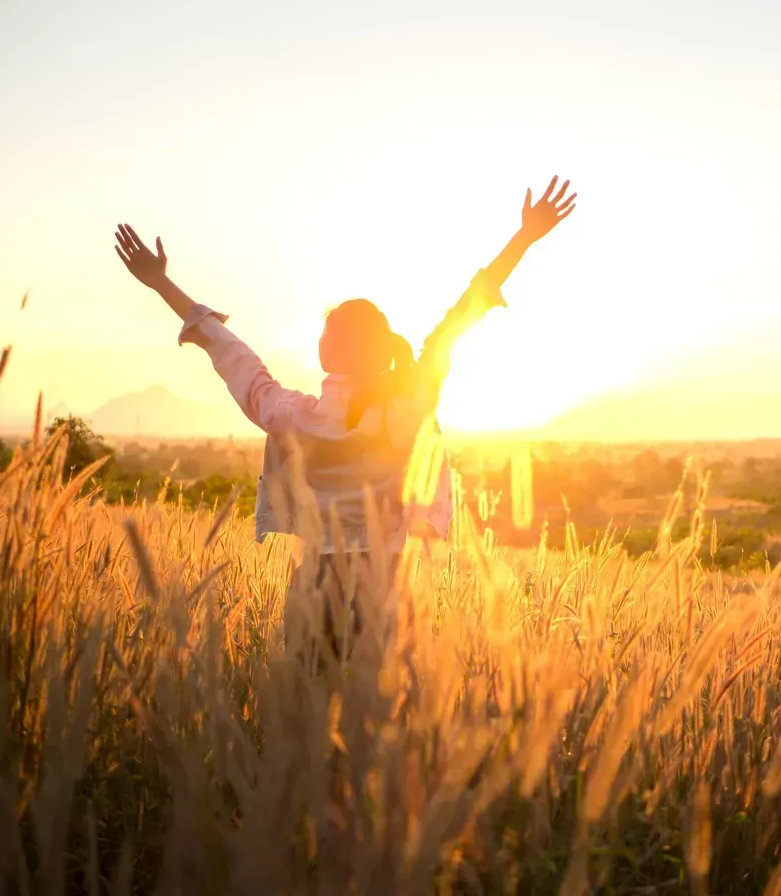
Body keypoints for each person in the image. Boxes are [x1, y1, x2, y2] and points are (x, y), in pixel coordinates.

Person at [114, 177, 577, 664]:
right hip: (386, 589)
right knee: (375, 723)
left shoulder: (292, 415)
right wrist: (524, 238)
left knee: (309, 715)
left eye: (326, 331)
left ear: (330, 349)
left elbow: (232, 354)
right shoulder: (410, 402)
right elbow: (464, 313)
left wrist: (161, 282)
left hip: (315, 587)